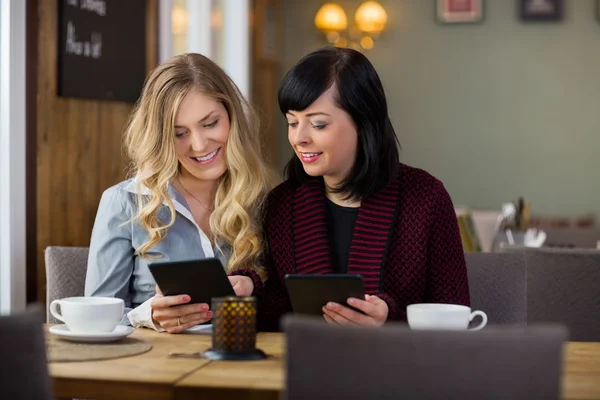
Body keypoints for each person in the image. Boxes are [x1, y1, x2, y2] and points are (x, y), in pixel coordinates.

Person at [258, 46, 470, 331]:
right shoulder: (281, 205)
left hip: (401, 370)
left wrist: (388, 319)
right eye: (292, 122)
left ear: (363, 121)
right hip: (305, 368)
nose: (299, 138)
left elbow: (455, 315)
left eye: (318, 124)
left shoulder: (426, 199)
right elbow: (272, 316)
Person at [85, 53, 274, 333]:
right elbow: (94, 317)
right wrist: (147, 315)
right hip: (157, 367)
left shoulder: (266, 200)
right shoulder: (125, 201)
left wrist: (254, 290)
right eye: (179, 133)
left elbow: (287, 307)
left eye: (210, 123)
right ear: (160, 138)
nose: (199, 145)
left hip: (244, 365)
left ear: (232, 115)